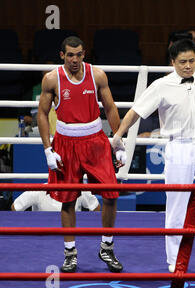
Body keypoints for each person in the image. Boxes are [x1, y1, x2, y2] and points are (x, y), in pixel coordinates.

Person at [111, 8, 195, 273]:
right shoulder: (161, 85)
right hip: (178, 147)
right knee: (176, 205)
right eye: (183, 62)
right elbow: (136, 111)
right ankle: (173, 260)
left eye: (192, 61)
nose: (188, 66)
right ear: (173, 62)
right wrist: (117, 136)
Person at [37, 36, 126, 273]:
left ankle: (106, 247)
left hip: (95, 141)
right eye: (70, 55)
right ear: (62, 55)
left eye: (78, 55)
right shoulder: (51, 78)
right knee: (68, 200)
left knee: (111, 193)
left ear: (84, 54)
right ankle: (70, 253)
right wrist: (48, 148)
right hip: (66, 142)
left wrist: (117, 142)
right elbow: (43, 114)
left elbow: (110, 108)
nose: (74, 60)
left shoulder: (97, 75)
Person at [11, 190, 100, 212]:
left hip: (71, 235)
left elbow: (96, 207)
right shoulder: (39, 191)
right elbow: (15, 207)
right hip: (43, 238)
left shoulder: (80, 190)